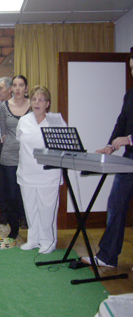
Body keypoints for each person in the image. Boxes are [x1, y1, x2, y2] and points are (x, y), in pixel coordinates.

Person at [82, 48, 133, 268]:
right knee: (115, 203)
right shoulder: (130, 94)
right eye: (131, 67)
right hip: (129, 160)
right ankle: (108, 256)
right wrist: (110, 145)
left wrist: (130, 138)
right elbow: (121, 121)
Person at [17, 86, 66, 254]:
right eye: (34, 99)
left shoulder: (55, 121)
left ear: (48, 104)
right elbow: (20, 140)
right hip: (27, 173)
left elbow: (63, 146)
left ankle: (48, 241)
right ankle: (33, 239)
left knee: (47, 209)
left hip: (48, 175)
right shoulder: (24, 120)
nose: (37, 103)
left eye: (41, 99)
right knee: (30, 208)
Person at [0, 75, 31, 242]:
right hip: (10, 154)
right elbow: (3, 132)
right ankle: (14, 227)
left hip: (29, 156)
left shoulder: (33, 105)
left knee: (26, 192)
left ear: (26, 88)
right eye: (15, 85)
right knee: (11, 193)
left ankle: (28, 221)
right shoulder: (4, 106)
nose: (18, 89)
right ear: (11, 89)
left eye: (21, 85)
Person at [0, 77, 13, 225]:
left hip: (11, 148)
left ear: (10, 89)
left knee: (12, 182)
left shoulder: (17, 106)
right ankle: (4, 214)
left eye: (1, 88)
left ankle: (19, 216)